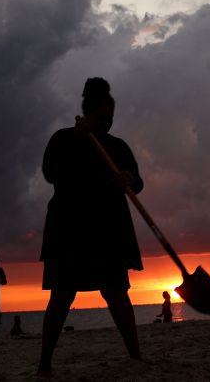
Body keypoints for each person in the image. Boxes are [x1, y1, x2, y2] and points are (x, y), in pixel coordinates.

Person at [37, 77, 144, 377]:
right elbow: (51, 173)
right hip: (69, 229)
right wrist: (78, 140)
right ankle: (45, 363)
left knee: (116, 292)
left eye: (111, 118)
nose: (107, 124)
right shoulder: (63, 139)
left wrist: (129, 179)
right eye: (102, 118)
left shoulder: (117, 146)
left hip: (108, 231)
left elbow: (138, 181)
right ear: (87, 114)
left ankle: (135, 356)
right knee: (61, 295)